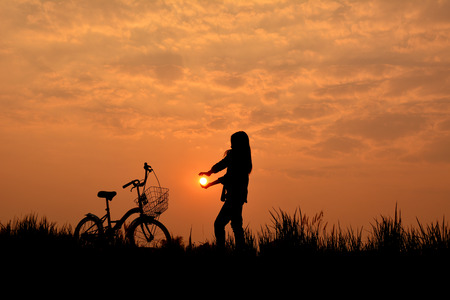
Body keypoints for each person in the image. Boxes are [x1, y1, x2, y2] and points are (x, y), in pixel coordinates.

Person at [199, 131, 252, 251]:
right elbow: (222, 165)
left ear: (238, 144)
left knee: (219, 224)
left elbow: (228, 176)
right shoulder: (243, 158)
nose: (231, 145)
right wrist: (209, 172)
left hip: (234, 197)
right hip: (239, 197)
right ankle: (241, 251)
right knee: (237, 225)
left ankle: (221, 251)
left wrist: (210, 182)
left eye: (233, 142)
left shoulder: (236, 157)